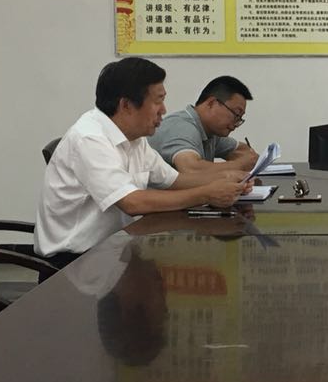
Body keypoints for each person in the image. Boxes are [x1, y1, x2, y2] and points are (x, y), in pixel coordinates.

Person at [35, 57, 251, 265]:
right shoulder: (89, 138)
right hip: (74, 264)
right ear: (126, 105)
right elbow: (132, 203)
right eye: (158, 101)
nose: (164, 110)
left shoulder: (135, 138)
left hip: (115, 251)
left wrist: (229, 179)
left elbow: (174, 180)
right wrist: (207, 194)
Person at [153, 75, 260, 174]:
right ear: (211, 103)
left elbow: (241, 151)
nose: (236, 123)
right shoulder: (182, 128)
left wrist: (249, 158)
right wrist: (240, 165)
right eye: (236, 114)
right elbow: (192, 169)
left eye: (240, 118)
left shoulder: (210, 132)